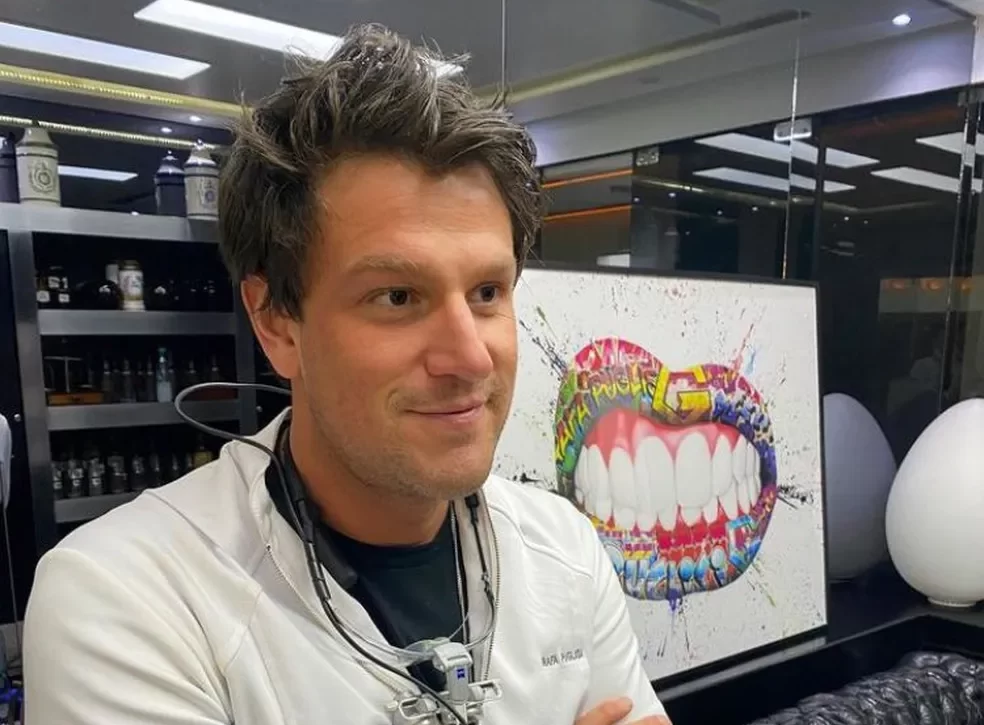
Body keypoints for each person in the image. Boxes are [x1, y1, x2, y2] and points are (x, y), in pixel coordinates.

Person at [22, 24, 669, 725]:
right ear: (276, 322)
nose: (470, 357)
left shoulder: (564, 549)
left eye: (487, 292)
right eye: (397, 297)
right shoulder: (128, 598)